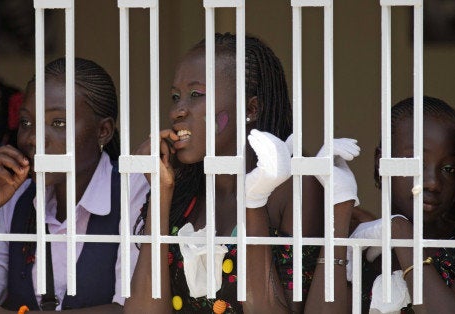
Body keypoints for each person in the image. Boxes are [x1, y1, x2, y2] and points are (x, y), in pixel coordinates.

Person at [124, 33, 360, 313]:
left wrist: (254, 201)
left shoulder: (295, 186)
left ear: (251, 108)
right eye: (175, 97)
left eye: (196, 94)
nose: (178, 110)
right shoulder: (184, 187)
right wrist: (161, 194)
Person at [0, 57, 149, 312]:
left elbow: (129, 309)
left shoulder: (132, 189)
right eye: (26, 122)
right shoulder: (17, 196)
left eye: (58, 123)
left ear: (103, 130)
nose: (33, 138)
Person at [313, 96, 455, 313]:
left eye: (449, 169)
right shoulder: (361, 243)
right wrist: (340, 205)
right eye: (415, 163)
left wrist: (401, 232)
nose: (433, 183)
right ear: (381, 162)